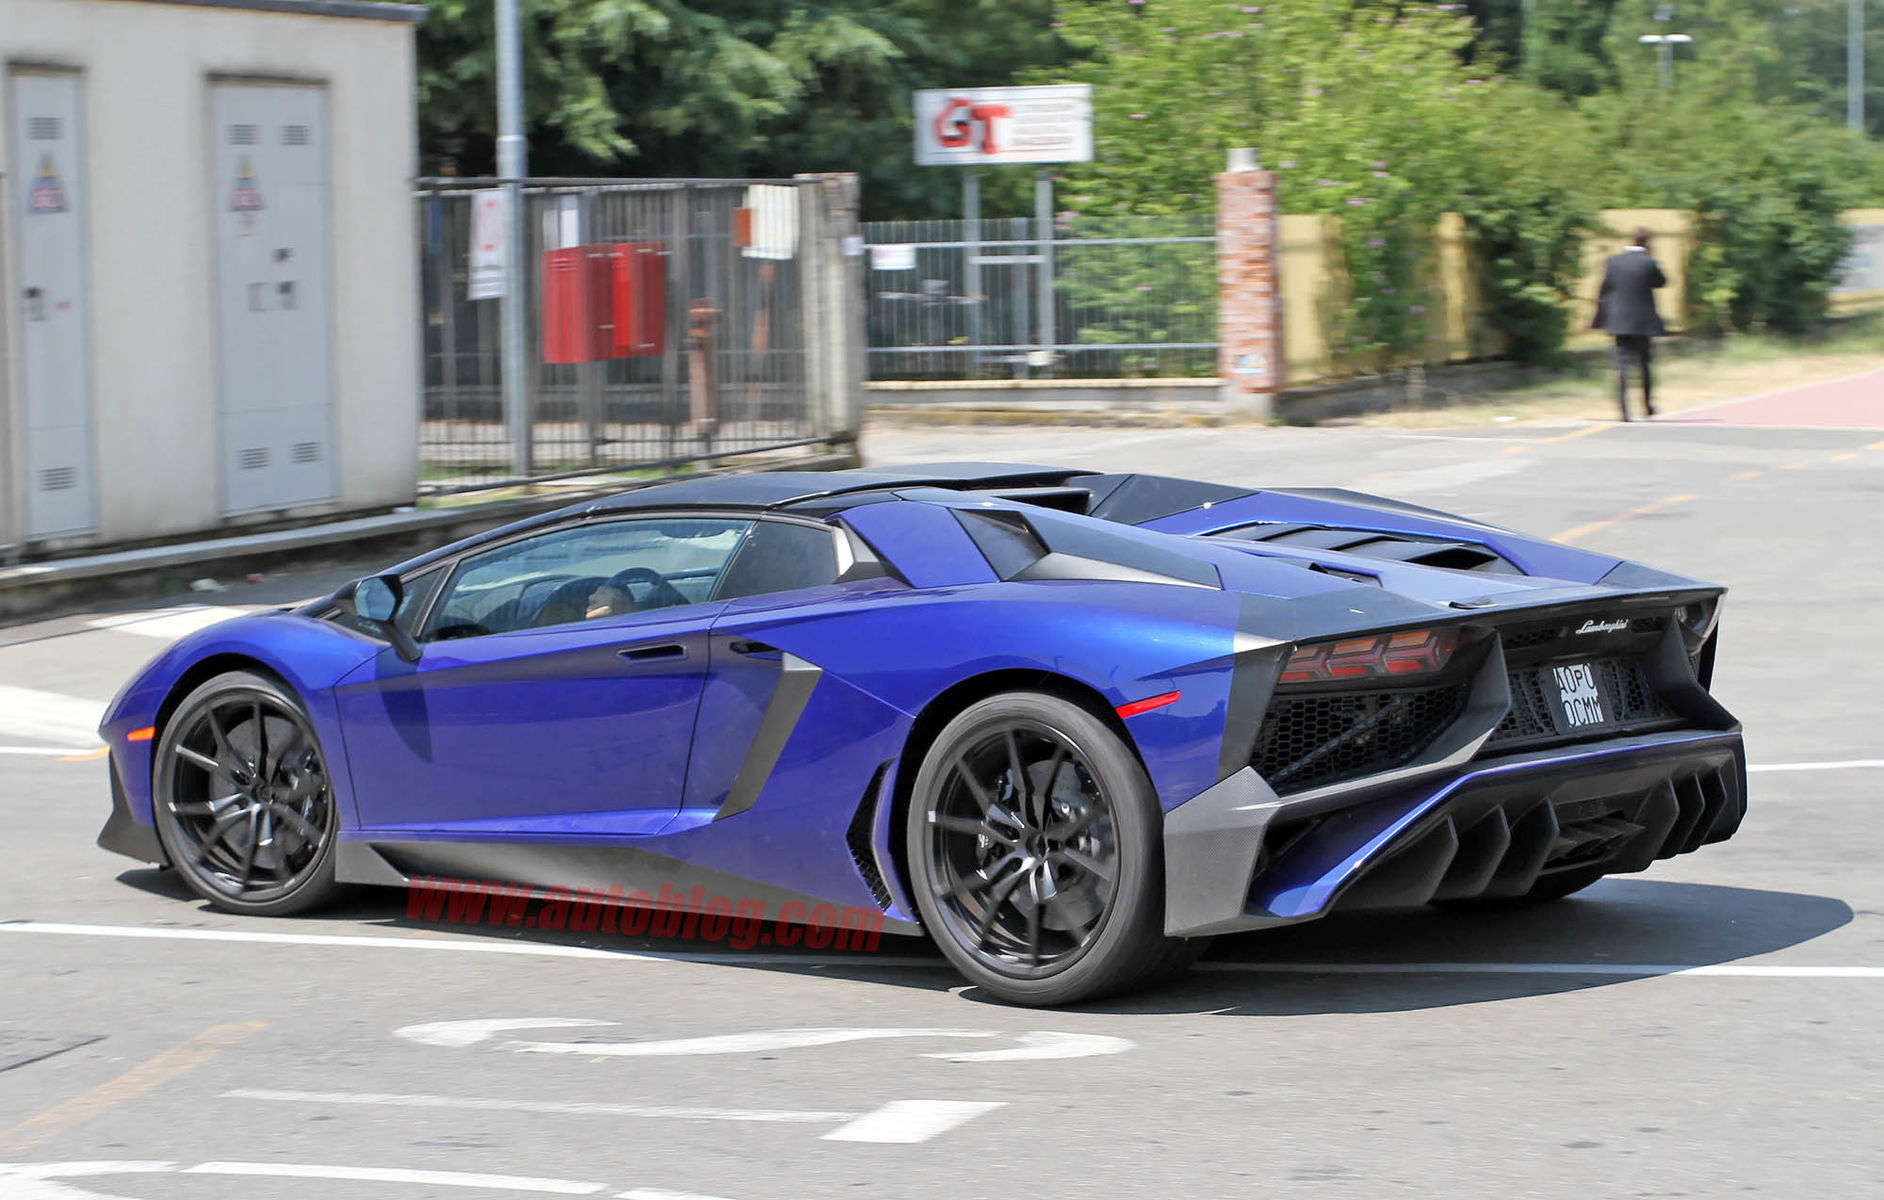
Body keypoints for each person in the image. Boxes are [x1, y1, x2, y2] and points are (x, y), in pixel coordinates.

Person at [1593, 227, 1668, 421]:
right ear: (1647, 242)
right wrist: (1651, 258)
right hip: (1643, 323)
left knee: (1622, 367)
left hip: (1619, 321)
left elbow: (1605, 289)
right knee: (1645, 366)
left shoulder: (1613, 262)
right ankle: (1647, 407)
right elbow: (1661, 282)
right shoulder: (1648, 262)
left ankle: (1624, 411)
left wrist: (1601, 318)